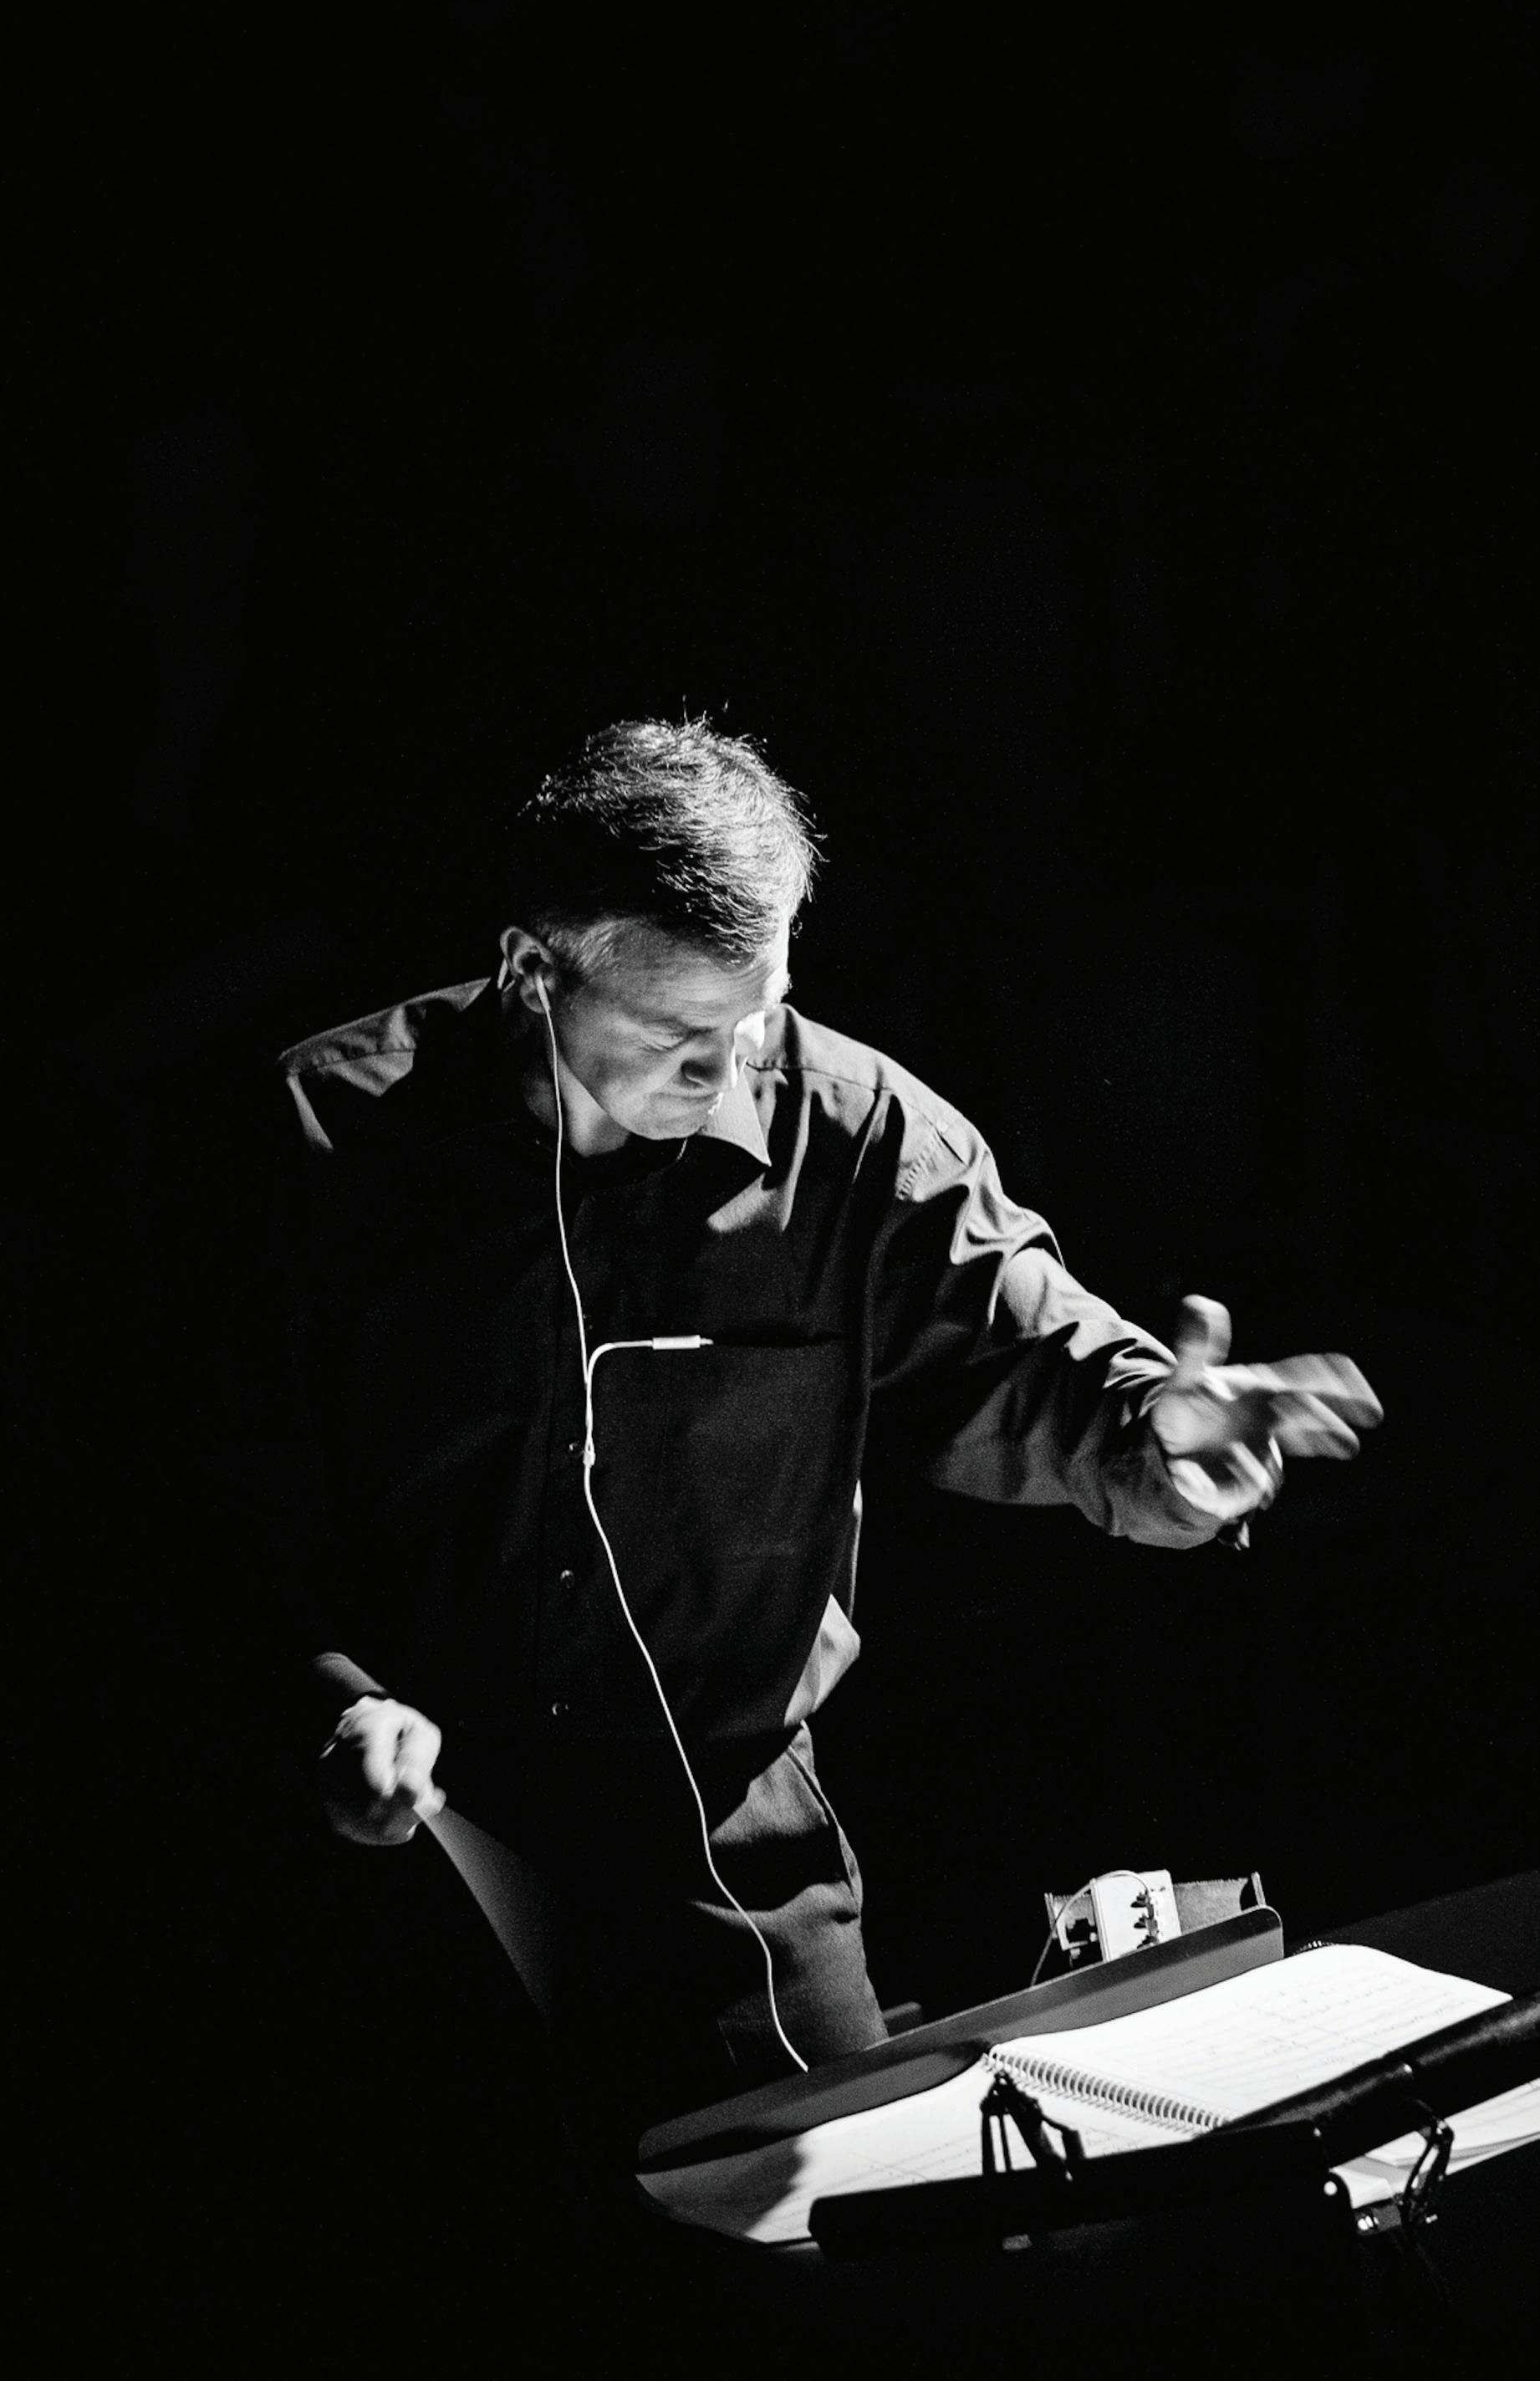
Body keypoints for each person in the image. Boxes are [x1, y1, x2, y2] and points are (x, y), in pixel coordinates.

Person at [276, 717, 1380, 2159]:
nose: (728, 1068)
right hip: (405, 1817)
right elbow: (198, 1491)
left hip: (725, 1829)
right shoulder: (324, 1137)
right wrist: (333, 1699)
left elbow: (1041, 1365)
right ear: (533, 971)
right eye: (675, 1035)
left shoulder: (858, 1135)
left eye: (757, 1014)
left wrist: (1156, 1441)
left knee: (837, 2214)